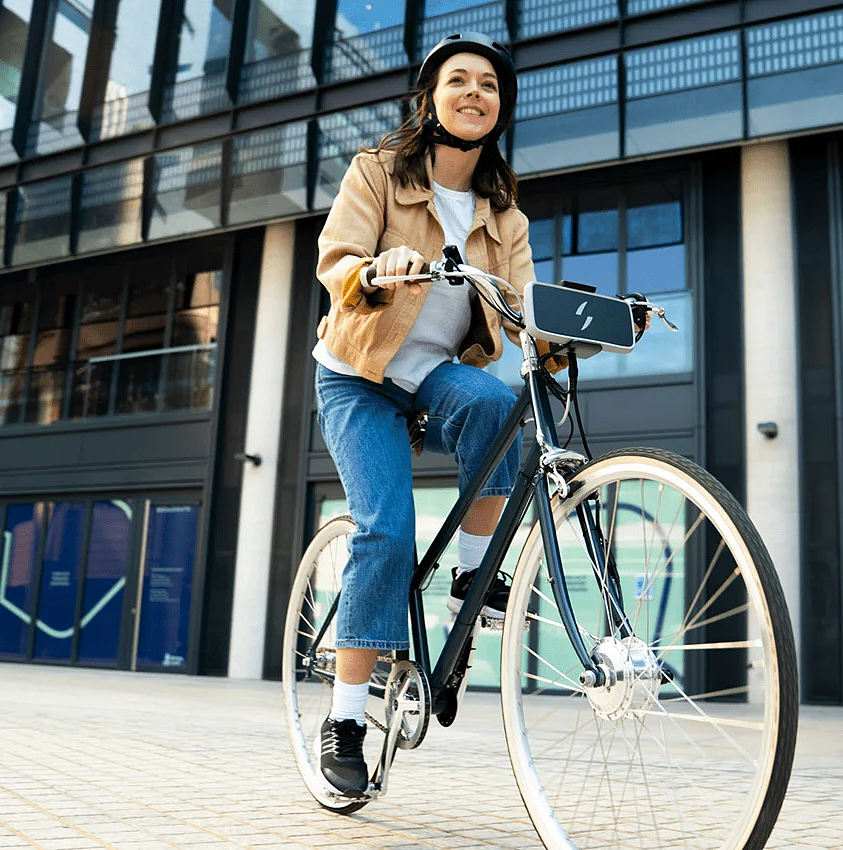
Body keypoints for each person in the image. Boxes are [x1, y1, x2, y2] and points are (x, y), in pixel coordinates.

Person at [310, 32, 540, 798]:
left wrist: (573, 334)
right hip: (358, 376)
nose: (475, 93)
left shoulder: (503, 214)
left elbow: (521, 310)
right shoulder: (378, 172)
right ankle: (344, 719)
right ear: (431, 98)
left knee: (495, 402)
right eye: (459, 81)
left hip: (435, 375)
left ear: (498, 109)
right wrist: (375, 269)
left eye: (489, 86)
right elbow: (336, 257)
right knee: (387, 528)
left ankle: (472, 578)